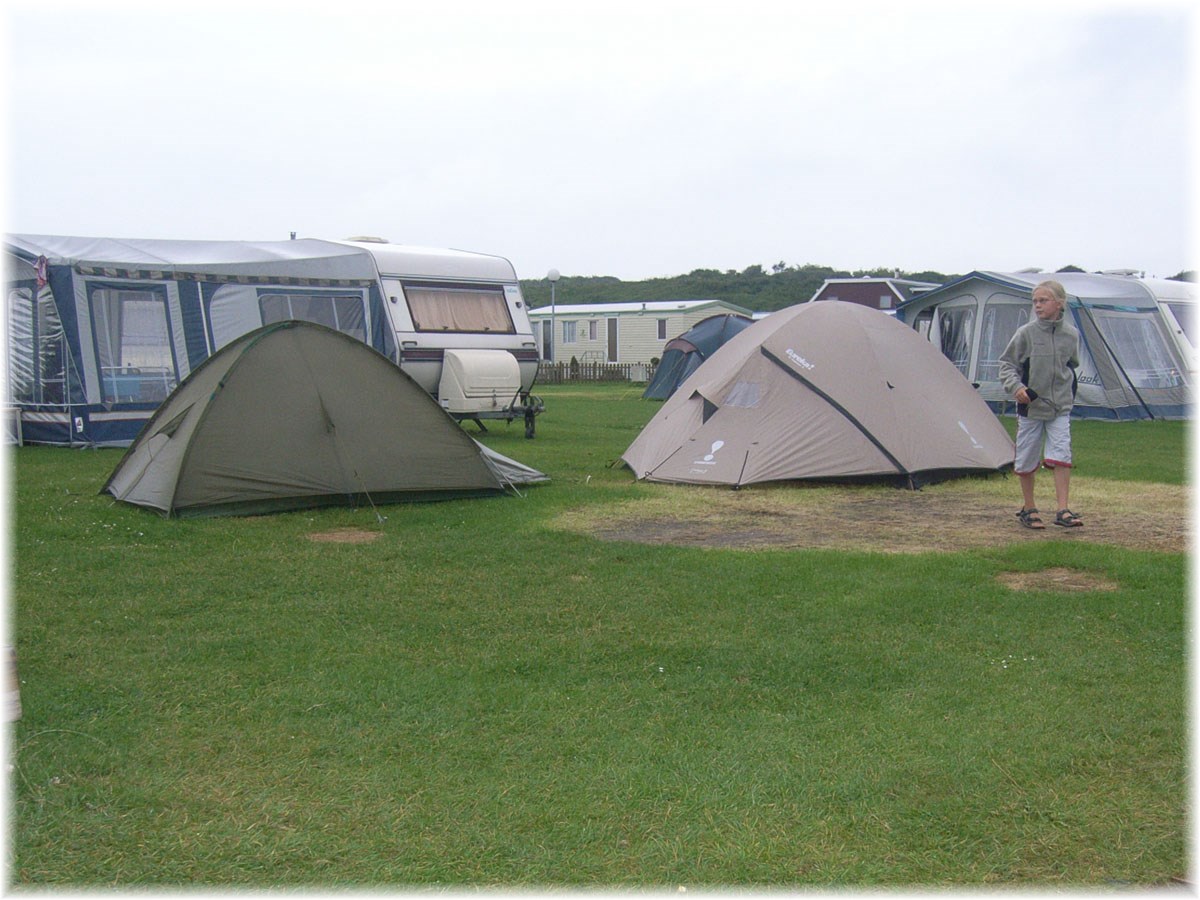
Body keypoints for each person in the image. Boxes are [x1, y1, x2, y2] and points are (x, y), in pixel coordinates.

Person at [998, 279, 1083, 529]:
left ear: (1059, 303)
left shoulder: (1071, 335)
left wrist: (1066, 391)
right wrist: (1017, 387)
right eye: (1035, 301)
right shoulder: (1026, 333)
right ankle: (1029, 507)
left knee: (1061, 455)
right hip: (1031, 407)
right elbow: (1007, 364)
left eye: (1043, 300)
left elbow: (1072, 365)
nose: (1037, 305)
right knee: (1026, 457)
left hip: (1060, 407)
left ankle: (1062, 509)